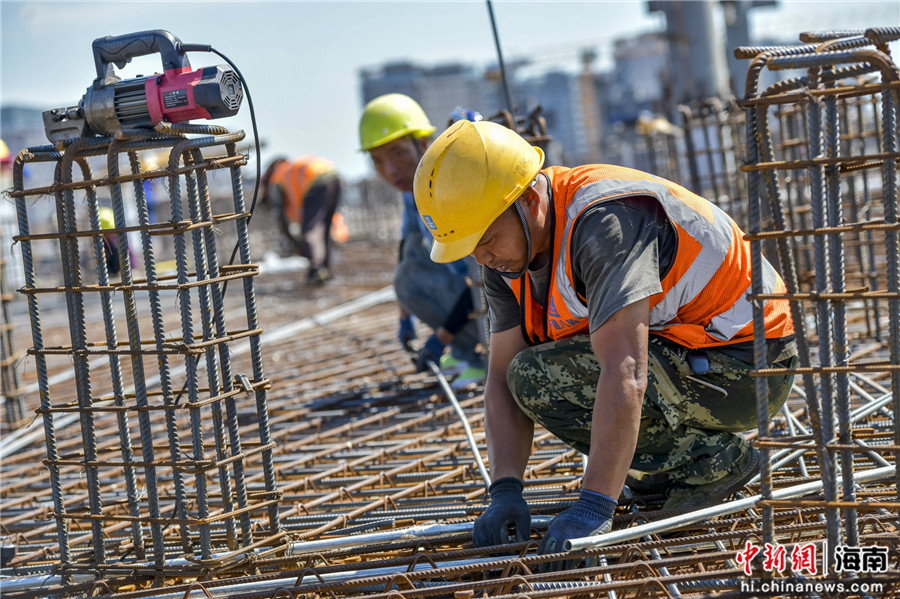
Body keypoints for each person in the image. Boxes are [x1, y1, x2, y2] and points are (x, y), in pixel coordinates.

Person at [413, 120, 797, 567]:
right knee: (527, 376)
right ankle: (666, 469)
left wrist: (595, 505)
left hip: (752, 366)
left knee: (543, 376)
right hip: (686, 355)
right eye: (469, 247)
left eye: (486, 239)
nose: (482, 257)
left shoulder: (602, 223)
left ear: (530, 200)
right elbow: (500, 377)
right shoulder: (507, 260)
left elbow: (625, 370)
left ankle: (711, 463)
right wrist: (505, 489)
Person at [358, 93, 485, 388]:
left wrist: (441, 339)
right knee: (408, 269)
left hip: (500, 299)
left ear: (424, 144)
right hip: (470, 298)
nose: (389, 170)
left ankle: (485, 357)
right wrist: (406, 316)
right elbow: (407, 250)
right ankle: (467, 351)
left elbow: (483, 275)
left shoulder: (450, 189)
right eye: (377, 160)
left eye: (398, 153)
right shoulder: (411, 192)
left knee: (410, 278)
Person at [260, 155, 343, 285]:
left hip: (316, 181)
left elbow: (281, 218)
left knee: (310, 230)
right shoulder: (291, 169)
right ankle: (324, 268)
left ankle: (316, 269)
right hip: (333, 175)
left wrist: (295, 242)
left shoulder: (278, 177)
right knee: (325, 226)